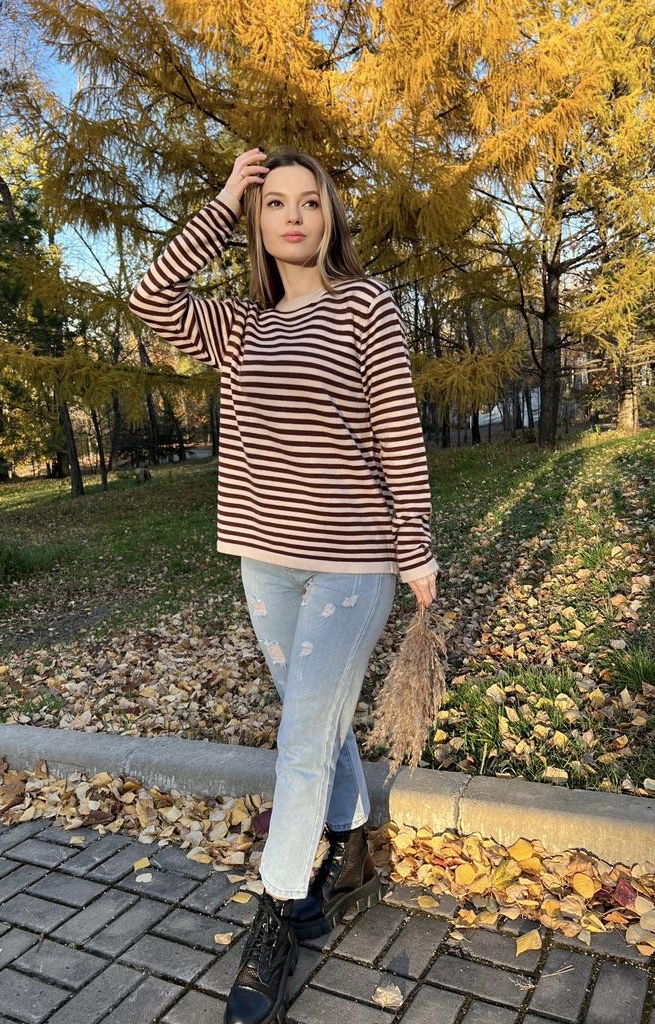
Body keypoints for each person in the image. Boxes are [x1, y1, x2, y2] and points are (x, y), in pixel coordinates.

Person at [128, 146, 439, 1024]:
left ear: (330, 217)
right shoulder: (240, 326)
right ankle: (350, 842)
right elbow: (151, 298)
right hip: (264, 557)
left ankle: (276, 911)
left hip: (352, 559)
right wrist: (225, 195)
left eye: (310, 202)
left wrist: (415, 547)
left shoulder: (364, 305)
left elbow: (397, 430)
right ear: (258, 224)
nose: (294, 216)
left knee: (302, 734)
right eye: (275, 204)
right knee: (313, 715)